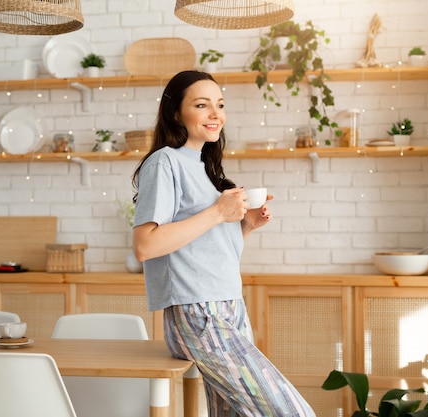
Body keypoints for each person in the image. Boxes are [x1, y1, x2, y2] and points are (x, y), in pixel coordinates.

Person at [131, 70, 315, 417]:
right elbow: (145, 245)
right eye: (202, 105)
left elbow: (203, 249)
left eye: (220, 105)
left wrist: (244, 225)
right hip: (198, 310)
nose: (216, 114)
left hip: (230, 305)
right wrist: (218, 212)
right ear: (175, 113)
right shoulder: (164, 162)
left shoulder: (205, 166)